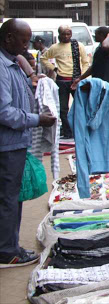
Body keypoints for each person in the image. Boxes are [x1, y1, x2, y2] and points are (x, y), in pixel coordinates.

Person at [0, 19, 57, 268]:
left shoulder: (11, 63)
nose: (27, 46)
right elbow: (4, 112)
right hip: (7, 145)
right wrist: (37, 119)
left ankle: (7, 247)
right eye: (24, 41)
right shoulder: (2, 67)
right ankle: (7, 252)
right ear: (8, 38)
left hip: (13, 143)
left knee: (10, 198)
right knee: (8, 199)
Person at [41, 25, 89, 139]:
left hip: (76, 80)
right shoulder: (55, 48)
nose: (66, 36)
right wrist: (54, 69)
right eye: (64, 34)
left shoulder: (78, 46)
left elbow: (85, 62)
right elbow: (43, 58)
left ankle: (80, 131)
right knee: (63, 109)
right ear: (59, 35)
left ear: (71, 34)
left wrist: (81, 77)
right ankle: (68, 133)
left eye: (68, 34)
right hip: (62, 81)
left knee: (80, 107)